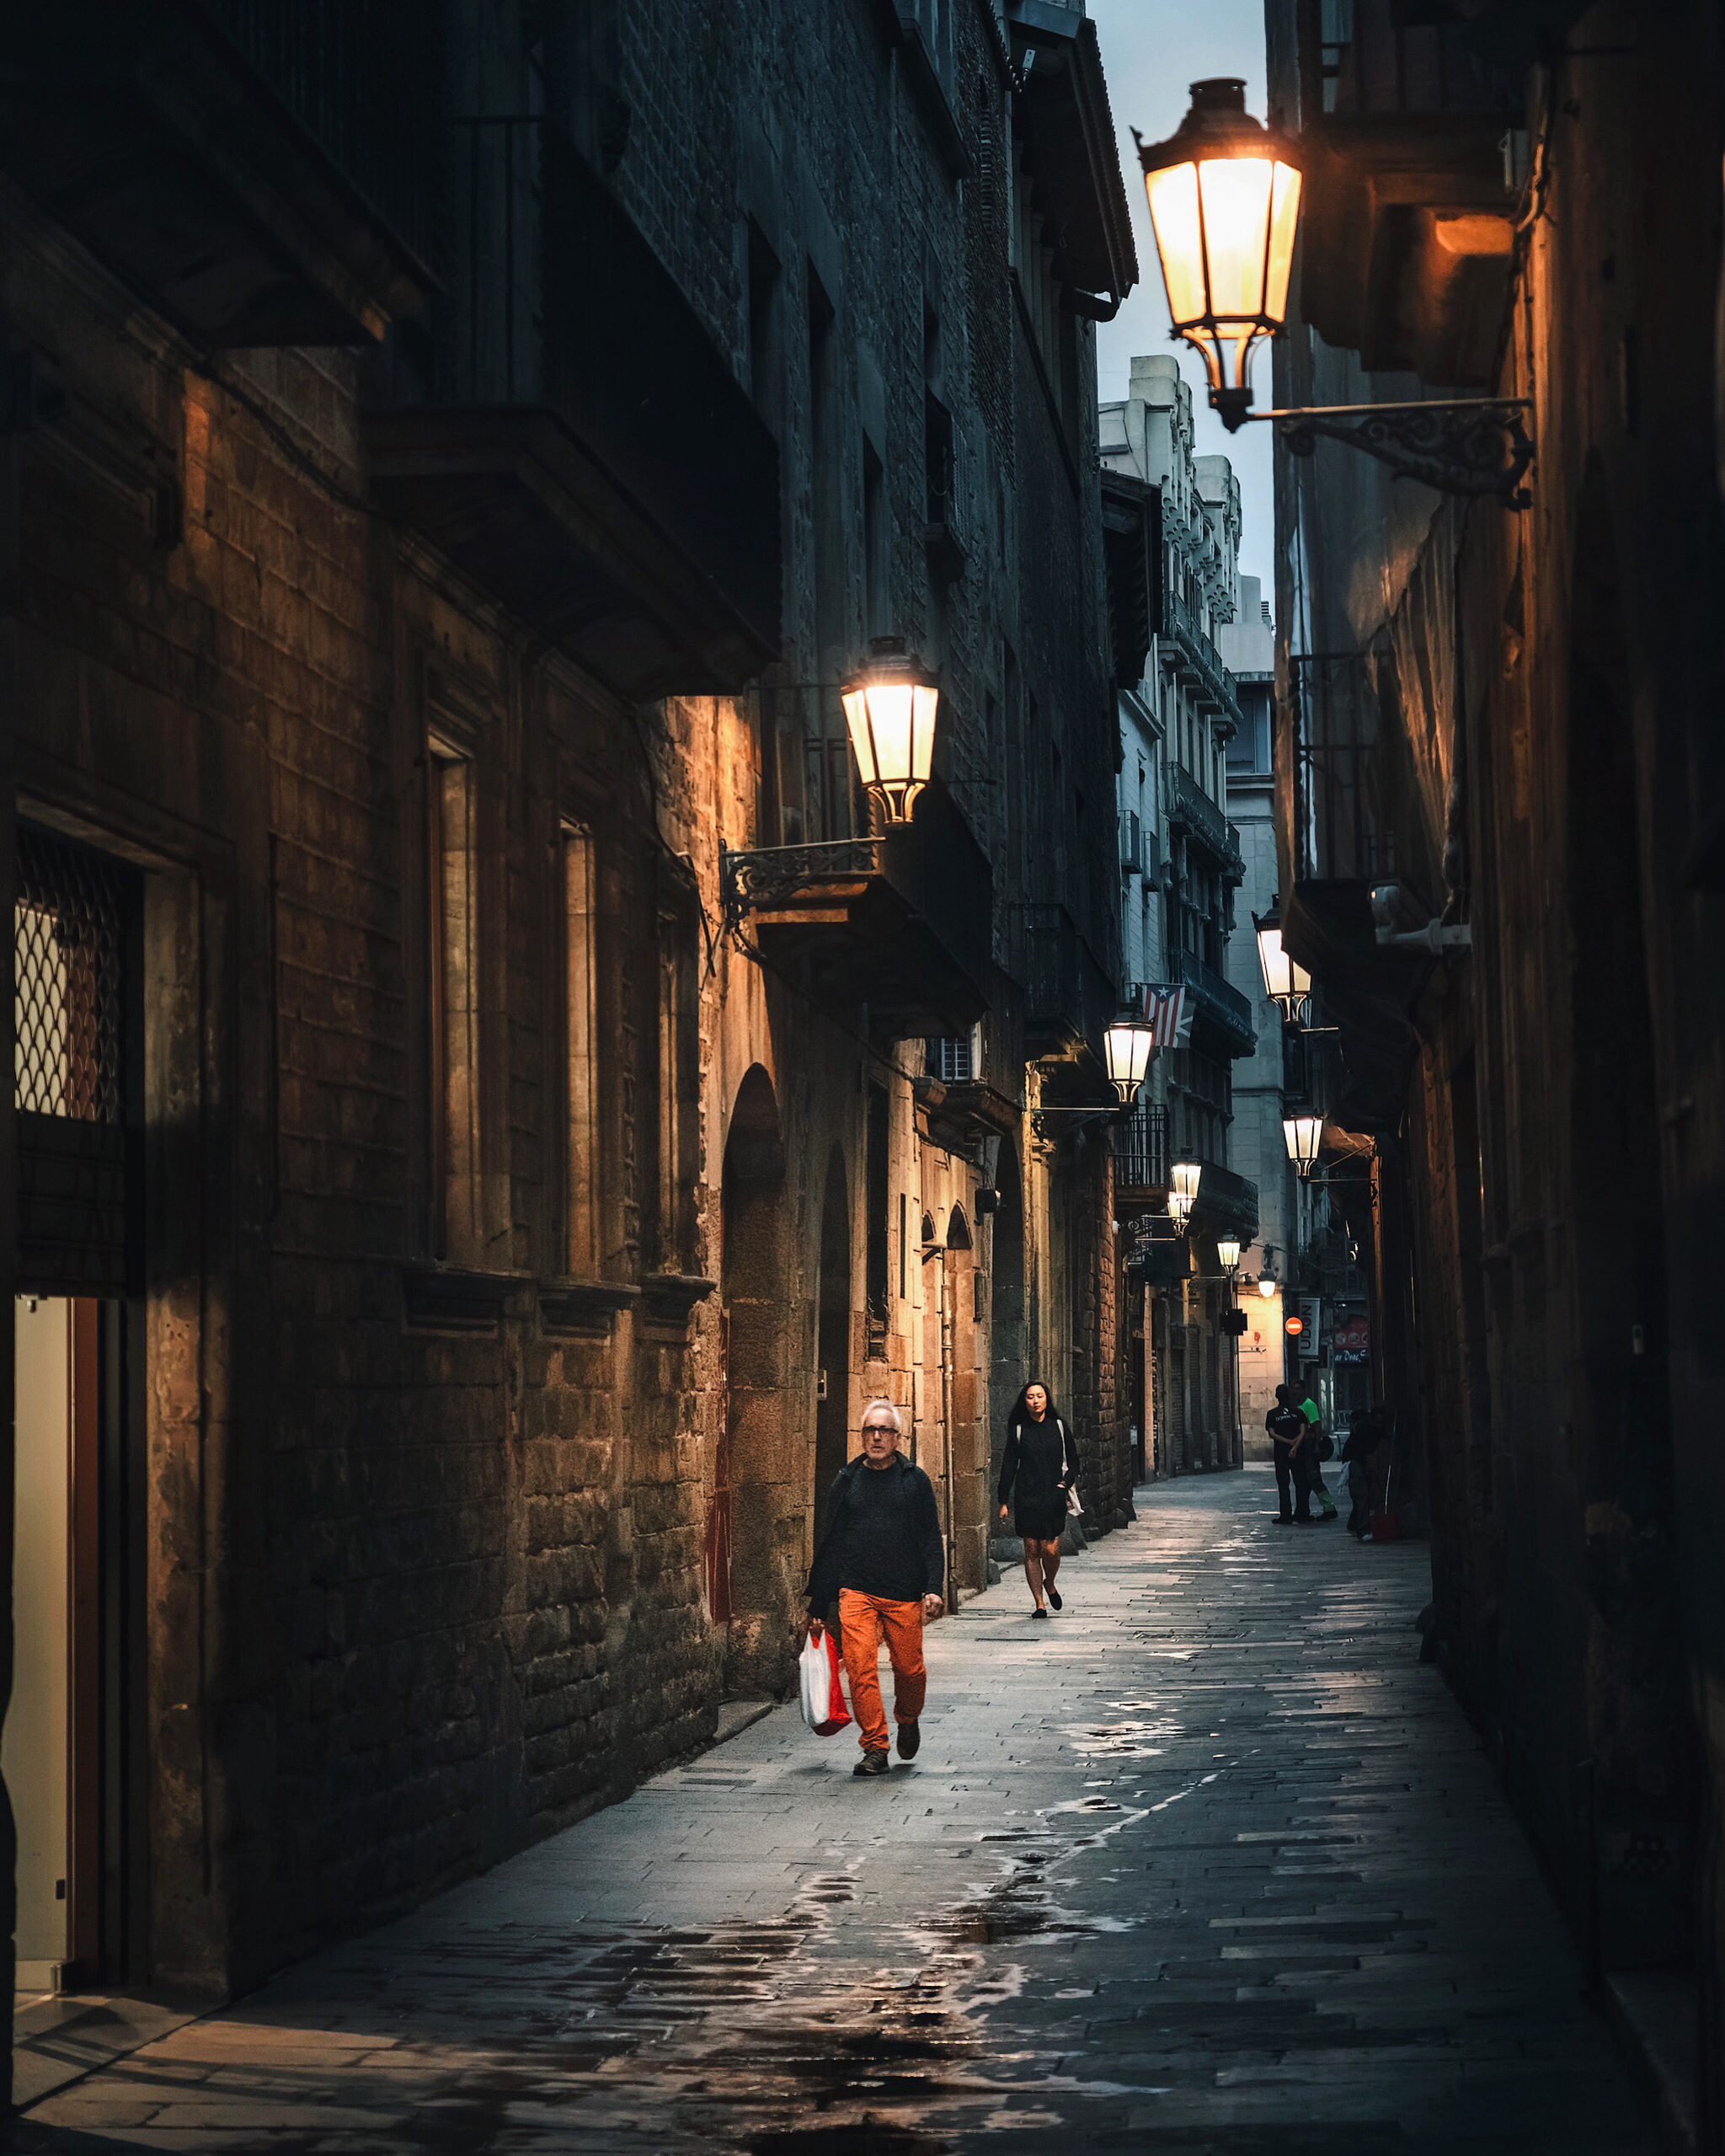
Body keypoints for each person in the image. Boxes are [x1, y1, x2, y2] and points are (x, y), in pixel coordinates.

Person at [805, 1398, 944, 1777]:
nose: (877, 1436)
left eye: (884, 1430)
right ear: (862, 1435)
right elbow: (831, 1541)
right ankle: (875, 1747)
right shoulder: (847, 1481)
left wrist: (934, 1586)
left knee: (909, 1670)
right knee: (861, 1670)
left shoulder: (913, 1481)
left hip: (902, 1591)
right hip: (856, 1589)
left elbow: (931, 1536)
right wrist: (819, 1604)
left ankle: (908, 1717)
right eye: (870, 1430)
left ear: (897, 1438)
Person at [996, 1382, 1076, 1618]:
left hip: (1053, 1496)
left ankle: (1049, 1582)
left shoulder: (1059, 1427)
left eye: (1039, 1396)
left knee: (1050, 1550)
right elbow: (1009, 1466)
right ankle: (1039, 1604)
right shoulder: (1019, 1430)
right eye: (1030, 1397)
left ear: (1046, 1399)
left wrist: (1065, 1483)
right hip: (1027, 1497)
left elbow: (1074, 1461)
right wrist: (1003, 1501)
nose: (1035, 1400)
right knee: (1031, 1550)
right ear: (1025, 1401)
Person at [1266, 1383, 1311, 1524]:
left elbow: (1272, 1434)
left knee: (1283, 1484)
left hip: (1281, 1453)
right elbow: (1303, 1432)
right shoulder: (1298, 1413)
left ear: (1276, 1396)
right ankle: (1302, 1514)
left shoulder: (1272, 1414)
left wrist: (1288, 1443)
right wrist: (1295, 1446)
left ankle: (1286, 1515)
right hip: (1298, 1453)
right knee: (1300, 1482)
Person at [1295, 1386, 1339, 1520]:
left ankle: (1329, 1508)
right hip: (1303, 1448)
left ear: (1304, 1390)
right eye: (1293, 1390)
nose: (1295, 1392)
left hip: (1309, 1447)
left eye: (1297, 1389)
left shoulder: (1309, 1405)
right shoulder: (1299, 1406)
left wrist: (1315, 1444)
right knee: (1306, 1480)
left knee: (1314, 1478)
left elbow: (1316, 1425)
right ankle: (1302, 1510)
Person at [1342, 1406, 1386, 1538]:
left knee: (1364, 1495)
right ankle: (1362, 1529)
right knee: (1361, 1494)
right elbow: (1366, 1452)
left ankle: (1354, 1524)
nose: (1380, 1425)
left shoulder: (1373, 1429)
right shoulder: (1366, 1429)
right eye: (1378, 1422)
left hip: (1358, 1459)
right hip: (1355, 1460)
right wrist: (1371, 1469)